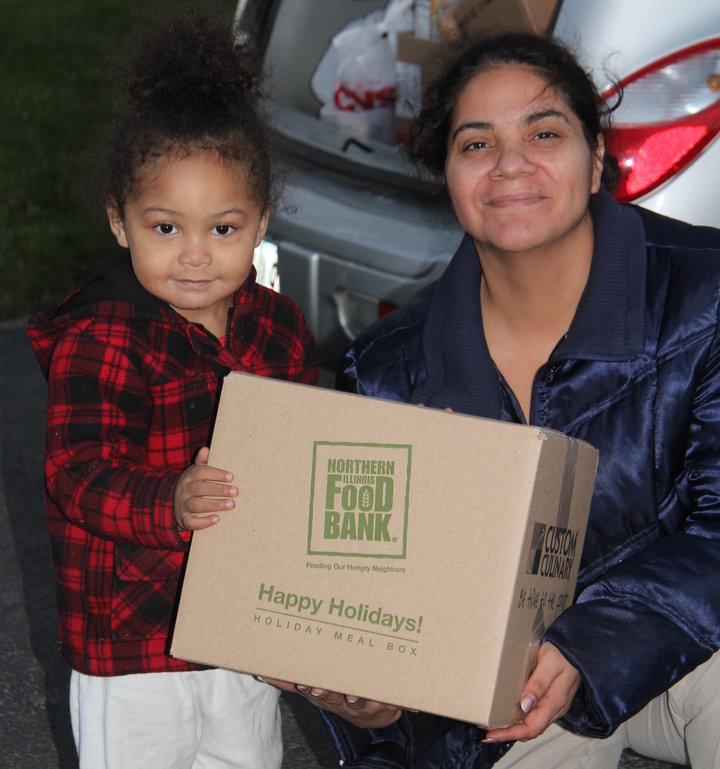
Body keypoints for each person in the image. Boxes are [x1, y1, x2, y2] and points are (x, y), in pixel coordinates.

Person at [268, 31, 720, 769]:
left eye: (544, 133)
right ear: (445, 174)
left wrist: (590, 641)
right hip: (520, 697)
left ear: (597, 157)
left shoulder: (705, 294)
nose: (511, 164)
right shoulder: (386, 376)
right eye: (476, 145)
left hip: (695, 644)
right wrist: (377, 706)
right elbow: (388, 615)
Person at [25, 8, 317, 769]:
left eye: (222, 229)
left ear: (260, 223)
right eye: (165, 228)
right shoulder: (104, 336)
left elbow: (306, 451)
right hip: (131, 640)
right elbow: (74, 473)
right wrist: (171, 501)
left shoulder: (277, 328)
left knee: (247, 757)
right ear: (120, 222)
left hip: (237, 630)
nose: (194, 255)